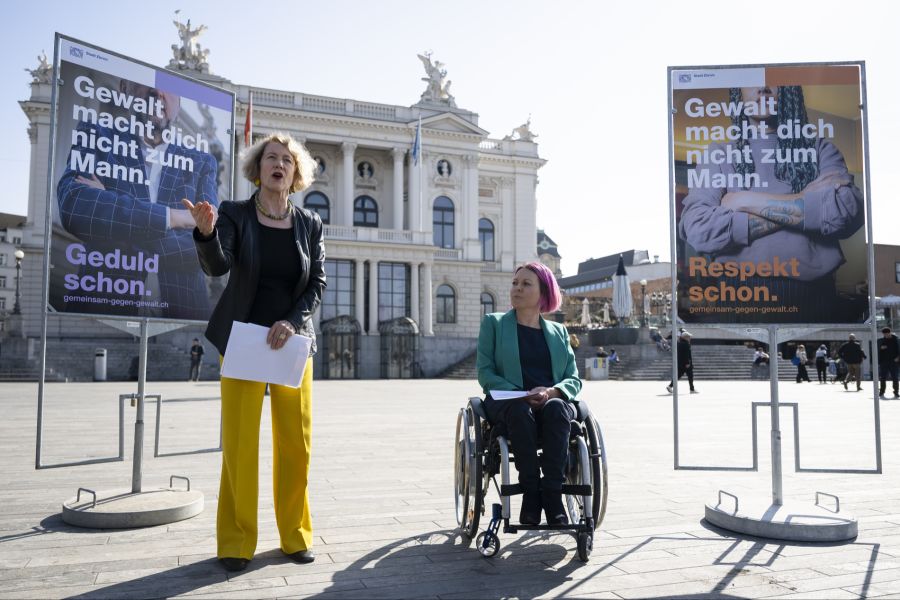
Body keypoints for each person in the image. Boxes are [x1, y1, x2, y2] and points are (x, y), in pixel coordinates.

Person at [186, 132, 325, 572]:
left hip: (291, 343)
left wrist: (294, 321)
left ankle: (295, 535)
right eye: (271, 158)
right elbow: (219, 265)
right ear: (257, 168)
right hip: (243, 340)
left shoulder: (310, 224)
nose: (278, 164)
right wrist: (206, 235)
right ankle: (236, 541)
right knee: (240, 445)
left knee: (295, 446)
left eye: (287, 159)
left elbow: (316, 283)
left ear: (296, 172)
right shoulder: (234, 214)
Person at [679, 85, 865, 323]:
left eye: (773, 81)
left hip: (814, 296)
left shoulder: (819, 149)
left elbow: (845, 213)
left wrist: (745, 200)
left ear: (790, 92)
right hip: (739, 295)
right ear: (739, 94)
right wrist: (806, 202)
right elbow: (697, 229)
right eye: (752, 81)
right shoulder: (719, 153)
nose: (763, 88)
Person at [57, 80, 219, 320]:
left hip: (184, 316)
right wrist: (174, 218)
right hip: (100, 309)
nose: (158, 91)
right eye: (145, 83)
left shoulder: (202, 162)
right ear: (125, 89)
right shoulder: (96, 135)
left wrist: (113, 212)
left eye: (168, 87)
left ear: (179, 101)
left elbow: (203, 248)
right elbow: (75, 208)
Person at [476, 261, 581, 527]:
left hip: (550, 403)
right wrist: (521, 394)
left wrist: (552, 391)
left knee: (558, 409)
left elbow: (573, 378)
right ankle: (531, 494)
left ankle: (553, 495)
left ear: (543, 293)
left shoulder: (559, 332)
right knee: (521, 411)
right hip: (509, 403)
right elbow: (485, 372)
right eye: (514, 283)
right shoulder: (494, 324)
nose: (517, 289)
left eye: (526, 284)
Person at [877, 327, 900, 399]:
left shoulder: (896, 340)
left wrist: (898, 357)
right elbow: (877, 349)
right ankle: (882, 391)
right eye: (884, 334)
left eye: (887, 334)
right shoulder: (881, 340)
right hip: (884, 362)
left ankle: (896, 391)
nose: (886, 335)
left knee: (895, 377)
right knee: (882, 377)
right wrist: (881, 348)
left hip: (894, 362)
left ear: (890, 332)